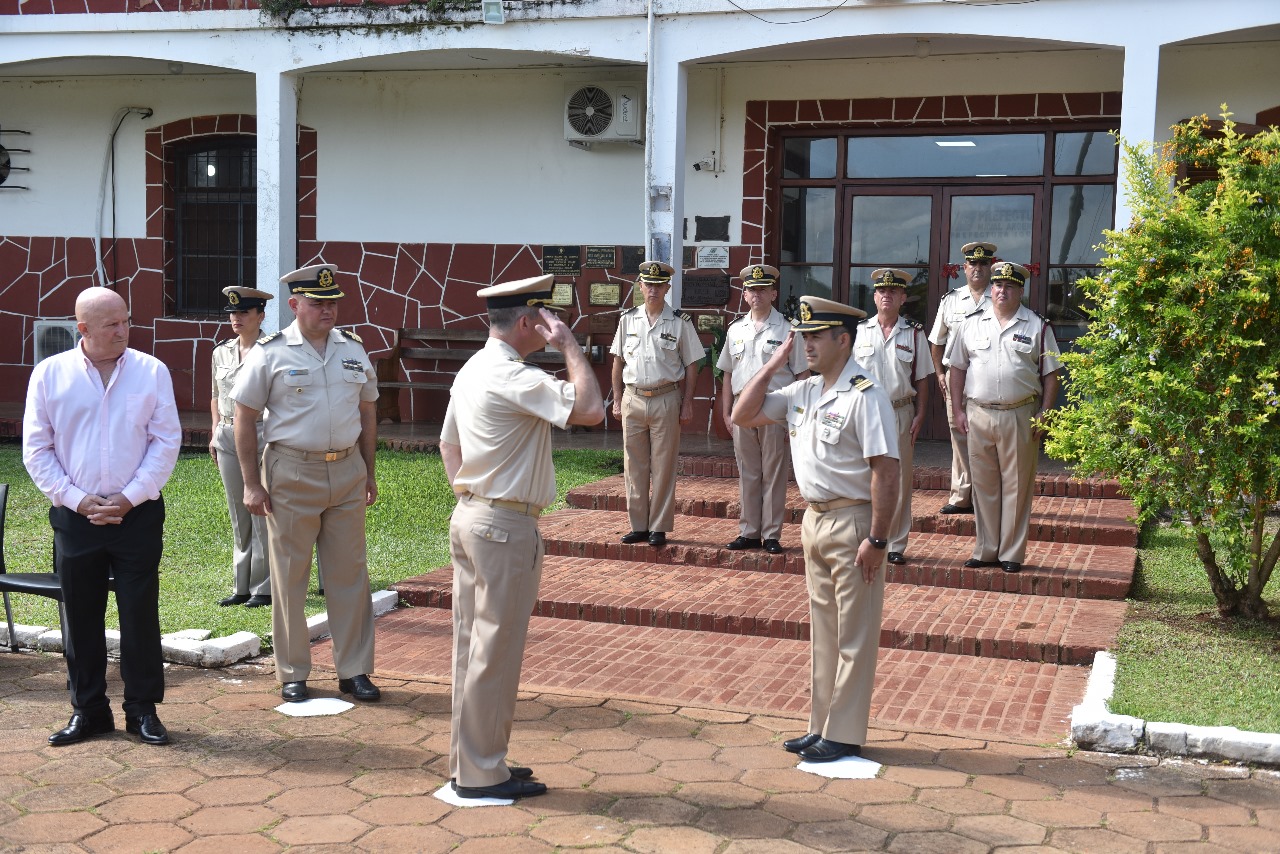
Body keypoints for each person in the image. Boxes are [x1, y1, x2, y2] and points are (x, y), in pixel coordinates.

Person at [440, 274, 604, 801]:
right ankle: (483, 773)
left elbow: (448, 445)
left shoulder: (473, 368)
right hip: (503, 526)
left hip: (473, 516)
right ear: (530, 321)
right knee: (496, 650)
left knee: (472, 648)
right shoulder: (515, 375)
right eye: (547, 316)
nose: (553, 323)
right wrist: (570, 346)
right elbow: (591, 410)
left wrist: (474, 496)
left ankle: (471, 761)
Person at [733, 295, 899, 763]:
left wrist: (878, 539)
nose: (806, 345)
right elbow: (741, 414)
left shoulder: (866, 394)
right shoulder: (802, 392)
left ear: (843, 340)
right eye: (802, 337)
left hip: (853, 522)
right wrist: (773, 363)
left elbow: (886, 471)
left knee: (854, 633)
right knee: (824, 633)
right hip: (814, 520)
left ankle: (844, 732)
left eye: (815, 337)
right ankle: (821, 725)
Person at [22, 287, 180, 747]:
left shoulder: (151, 370)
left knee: (139, 614)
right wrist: (76, 500)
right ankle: (88, 712)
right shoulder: (50, 374)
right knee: (81, 617)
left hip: (138, 516)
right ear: (83, 329)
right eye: (112, 324)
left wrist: (129, 498)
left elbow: (165, 441)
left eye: (126, 321)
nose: (123, 330)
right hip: (76, 518)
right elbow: (37, 448)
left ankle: (142, 710)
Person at [231, 263, 381, 704]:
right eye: (317, 303)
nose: (327, 310)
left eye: (333, 302)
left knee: (350, 575)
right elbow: (244, 417)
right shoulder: (270, 353)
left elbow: (368, 411)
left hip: (347, 470)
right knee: (290, 576)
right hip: (292, 471)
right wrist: (251, 483)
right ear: (295, 304)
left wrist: (369, 471)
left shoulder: (353, 348)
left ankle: (354, 670)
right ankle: (293, 671)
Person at [945, 262, 1062, 574]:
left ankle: (1011, 552)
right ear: (991, 288)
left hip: (1020, 413)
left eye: (1010, 286)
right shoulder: (970, 324)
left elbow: (1051, 374)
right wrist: (958, 410)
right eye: (998, 285)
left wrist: (1045, 412)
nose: (1002, 291)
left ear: (1020, 291)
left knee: (1017, 486)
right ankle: (986, 550)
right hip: (978, 413)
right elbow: (957, 368)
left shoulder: (1037, 326)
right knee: (983, 486)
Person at [609, 260, 704, 547]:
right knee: (634, 465)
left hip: (666, 398)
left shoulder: (679, 322)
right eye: (648, 284)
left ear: (667, 287)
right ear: (640, 286)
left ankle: (658, 527)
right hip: (633, 398)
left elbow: (692, 364)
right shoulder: (627, 320)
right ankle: (638, 525)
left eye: (658, 285)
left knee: (663, 465)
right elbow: (618, 362)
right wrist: (617, 400)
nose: (653, 289)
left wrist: (687, 402)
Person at [716, 264, 808, 554]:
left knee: (774, 472)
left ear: (773, 293)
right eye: (751, 290)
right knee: (748, 471)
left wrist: (797, 416)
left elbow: (802, 375)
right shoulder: (735, 329)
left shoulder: (789, 329)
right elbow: (727, 373)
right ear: (744, 294)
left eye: (762, 289)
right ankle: (749, 532)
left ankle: (771, 534)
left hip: (774, 406)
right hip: (742, 407)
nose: (756, 294)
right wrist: (727, 413)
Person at [853, 269, 933, 565]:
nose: (886, 295)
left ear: (902, 298)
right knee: (863, 476)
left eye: (893, 292)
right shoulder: (859, 331)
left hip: (900, 411)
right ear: (874, 297)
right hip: (865, 412)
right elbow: (849, 373)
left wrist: (920, 413)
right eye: (881, 291)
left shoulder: (914, 333)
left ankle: (895, 544)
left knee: (898, 479)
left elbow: (922, 378)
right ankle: (864, 537)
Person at [210, 286, 275, 608]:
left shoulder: (272, 351)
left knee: (261, 509)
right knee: (238, 511)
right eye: (232, 313)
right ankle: (242, 584)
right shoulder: (220, 351)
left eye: (243, 312)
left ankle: (265, 585)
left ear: (260, 316)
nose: (236, 318)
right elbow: (214, 394)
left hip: (261, 433)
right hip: (226, 433)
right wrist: (214, 431)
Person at [928, 241, 995, 515]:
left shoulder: (1000, 296)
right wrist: (939, 373)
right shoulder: (951, 300)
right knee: (959, 436)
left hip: (987, 380)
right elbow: (937, 341)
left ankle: (985, 496)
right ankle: (961, 496)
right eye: (972, 264)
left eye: (983, 263)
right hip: (955, 379)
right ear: (964, 268)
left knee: (986, 438)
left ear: (991, 267)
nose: (977, 268)